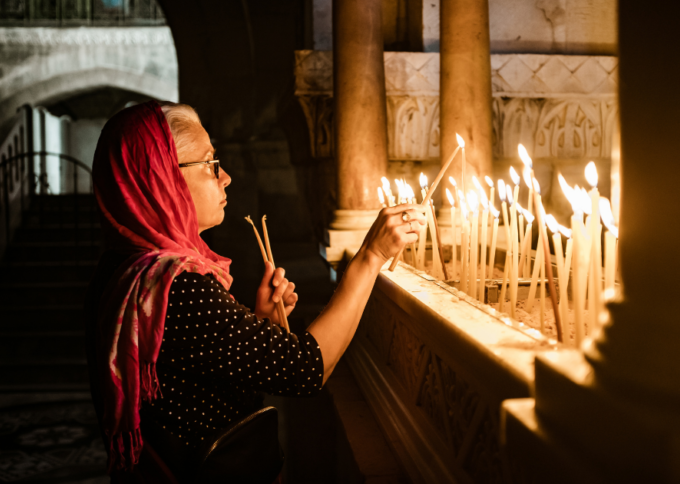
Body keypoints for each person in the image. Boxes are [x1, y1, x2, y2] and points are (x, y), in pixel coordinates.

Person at [84, 101, 425, 483]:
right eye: (210, 163)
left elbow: (190, 374)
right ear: (162, 178)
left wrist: (258, 322)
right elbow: (305, 370)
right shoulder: (175, 287)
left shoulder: (124, 269)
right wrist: (370, 256)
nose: (226, 176)